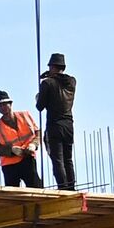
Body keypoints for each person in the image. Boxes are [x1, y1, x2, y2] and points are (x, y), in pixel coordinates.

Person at [37, 52, 77, 190]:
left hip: (55, 125)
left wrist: (40, 92)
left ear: (52, 67)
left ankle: (63, 187)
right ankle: (71, 187)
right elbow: (60, 80)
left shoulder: (47, 83)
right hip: (69, 125)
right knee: (68, 159)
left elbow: (40, 106)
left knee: (57, 159)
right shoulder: (71, 82)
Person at [0, 91, 44, 189]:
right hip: (9, 165)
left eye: (4, 104)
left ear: (10, 104)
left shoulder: (25, 115)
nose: (2, 107)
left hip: (27, 158)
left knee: (36, 188)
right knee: (13, 193)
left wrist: (34, 144)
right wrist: (11, 150)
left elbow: (38, 133)